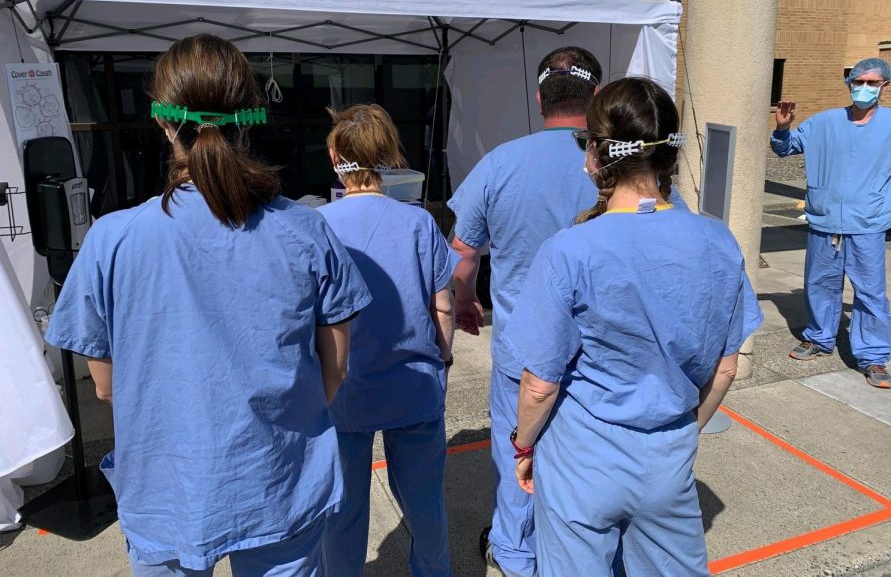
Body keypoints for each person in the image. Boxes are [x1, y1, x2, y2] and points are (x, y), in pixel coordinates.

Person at [45, 34, 372, 576]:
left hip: (164, 488)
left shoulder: (112, 239)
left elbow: (105, 386)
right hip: (279, 478)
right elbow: (333, 371)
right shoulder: (306, 231)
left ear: (161, 121)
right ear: (251, 118)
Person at [505, 77, 763, 577]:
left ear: (597, 153)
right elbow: (725, 368)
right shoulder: (718, 240)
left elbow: (539, 384)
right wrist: (685, 430)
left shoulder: (569, 249)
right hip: (669, 451)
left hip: (582, 454)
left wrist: (523, 445)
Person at [448, 46, 604, 576]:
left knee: (516, 453)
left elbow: (463, 255)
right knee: (584, 462)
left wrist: (468, 300)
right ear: (598, 96)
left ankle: (516, 555)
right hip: (599, 352)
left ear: (539, 98)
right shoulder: (613, 166)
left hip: (524, 348)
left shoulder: (500, 163)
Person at [318, 105, 459, 577]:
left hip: (342, 394)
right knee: (425, 509)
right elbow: (442, 307)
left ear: (336, 156)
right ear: (387, 156)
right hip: (413, 388)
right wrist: (443, 355)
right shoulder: (418, 223)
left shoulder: (317, 225)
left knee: (341, 513)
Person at [771, 58, 891, 389]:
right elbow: (785, 148)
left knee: (870, 292)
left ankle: (873, 356)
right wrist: (783, 127)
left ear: (885, 85)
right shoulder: (824, 122)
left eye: (872, 82)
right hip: (825, 219)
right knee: (819, 283)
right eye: (858, 81)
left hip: (867, 220)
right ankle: (818, 338)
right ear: (849, 84)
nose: (864, 87)